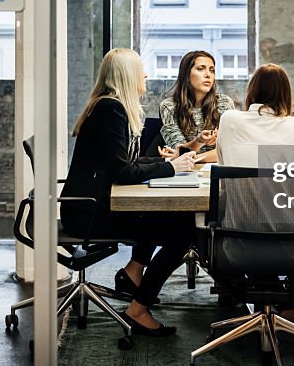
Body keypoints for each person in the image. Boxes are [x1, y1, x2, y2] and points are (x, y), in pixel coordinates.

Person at [60, 49, 198, 337]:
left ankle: (134, 275)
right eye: (140, 69)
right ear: (126, 75)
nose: (145, 75)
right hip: (89, 213)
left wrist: (166, 163)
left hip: (91, 205)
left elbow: (124, 163)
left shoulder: (107, 106)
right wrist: (171, 169)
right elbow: (124, 172)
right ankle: (138, 308)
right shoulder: (111, 110)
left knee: (167, 220)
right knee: (184, 230)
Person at [215, 64, 294, 333]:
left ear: (251, 91)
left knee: (258, 222)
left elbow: (224, 166)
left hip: (237, 244)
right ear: (285, 95)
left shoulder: (229, 120)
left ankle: (277, 307)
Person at [157, 51, 236, 164]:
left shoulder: (224, 103)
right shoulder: (169, 106)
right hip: (185, 171)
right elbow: (180, 150)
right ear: (187, 75)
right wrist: (199, 141)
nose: (208, 75)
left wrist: (191, 157)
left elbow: (229, 150)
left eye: (212, 70)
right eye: (200, 69)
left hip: (216, 169)